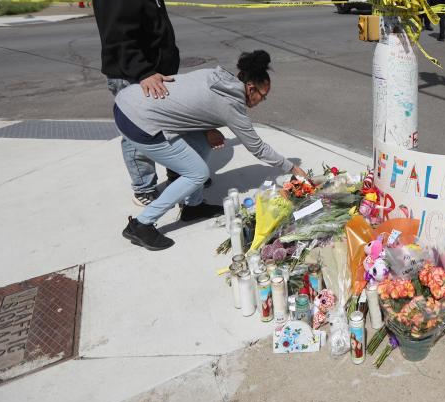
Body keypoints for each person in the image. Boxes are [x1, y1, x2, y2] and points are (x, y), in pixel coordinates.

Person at [114, 50, 309, 251]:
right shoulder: (231, 105)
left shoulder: (217, 77)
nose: (262, 101)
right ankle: (141, 224)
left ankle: (193, 206)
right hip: (139, 123)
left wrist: (208, 129)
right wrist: (291, 167)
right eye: (263, 96)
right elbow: (257, 148)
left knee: (204, 143)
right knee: (197, 174)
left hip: (129, 103)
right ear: (250, 88)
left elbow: (194, 102)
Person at [93, 0, 186, 208]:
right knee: (139, 133)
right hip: (134, 76)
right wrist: (143, 72)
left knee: (167, 127)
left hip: (154, 73)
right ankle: (144, 187)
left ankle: (177, 174)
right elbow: (118, 35)